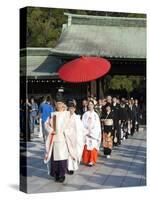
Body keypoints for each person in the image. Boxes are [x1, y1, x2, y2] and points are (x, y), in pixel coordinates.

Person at [44, 97, 72, 183]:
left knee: (62, 158)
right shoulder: (52, 114)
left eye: (60, 104)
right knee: (55, 158)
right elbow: (46, 124)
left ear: (63, 105)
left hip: (63, 139)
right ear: (55, 104)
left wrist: (66, 132)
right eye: (57, 104)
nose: (59, 105)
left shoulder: (67, 114)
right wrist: (51, 130)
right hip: (54, 139)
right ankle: (55, 174)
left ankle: (62, 174)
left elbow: (70, 126)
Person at [65, 102, 85, 175]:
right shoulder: (65, 117)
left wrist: (80, 137)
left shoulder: (77, 118)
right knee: (68, 154)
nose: (71, 110)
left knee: (73, 153)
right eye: (70, 108)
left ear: (75, 109)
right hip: (67, 137)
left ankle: (72, 167)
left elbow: (80, 129)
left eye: (72, 108)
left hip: (74, 139)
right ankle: (68, 167)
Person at [82, 100, 101, 166]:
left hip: (93, 134)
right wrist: (86, 130)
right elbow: (83, 124)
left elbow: (97, 126)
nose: (90, 106)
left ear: (93, 105)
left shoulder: (96, 115)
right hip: (86, 133)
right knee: (87, 146)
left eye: (91, 104)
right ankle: (87, 160)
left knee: (93, 147)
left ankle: (92, 160)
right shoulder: (85, 114)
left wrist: (92, 131)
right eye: (89, 104)